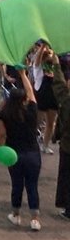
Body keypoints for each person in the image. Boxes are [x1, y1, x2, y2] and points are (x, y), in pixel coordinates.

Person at [0, 67, 42, 231]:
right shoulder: (31, 111)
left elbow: (1, 135)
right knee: (32, 185)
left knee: (17, 184)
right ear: (24, 100)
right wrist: (23, 75)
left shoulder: (4, 115)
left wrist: (0, 151)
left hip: (13, 153)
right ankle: (35, 219)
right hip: (32, 153)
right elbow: (31, 93)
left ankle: (16, 215)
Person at [32, 41, 59, 154]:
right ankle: (31, 143)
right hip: (41, 95)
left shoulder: (54, 69)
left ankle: (45, 145)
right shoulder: (38, 67)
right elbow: (38, 58)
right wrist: (43, 46)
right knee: (36, 122)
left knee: (50, 122)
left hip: (52, 96)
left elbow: (56, 61)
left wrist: (54, 50)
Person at [51, 60, 70, 221]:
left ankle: (68, 209)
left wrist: (56, 66)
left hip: (67, 145)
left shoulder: (67, 102)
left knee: (66, 176)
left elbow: (59, 87)